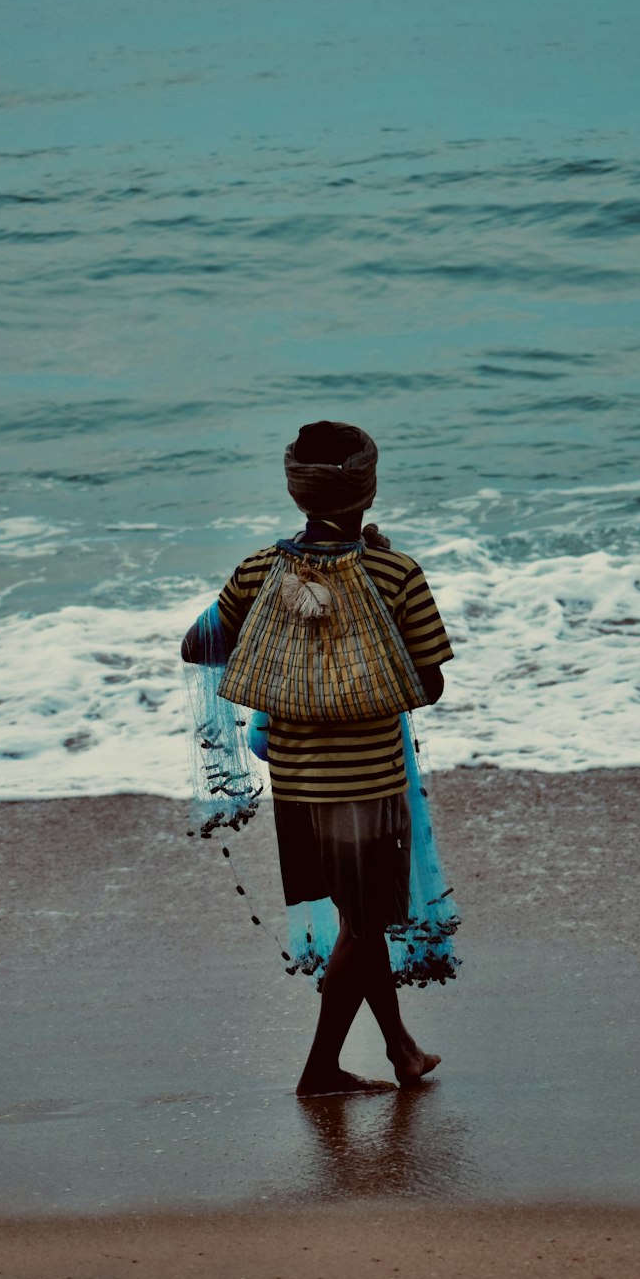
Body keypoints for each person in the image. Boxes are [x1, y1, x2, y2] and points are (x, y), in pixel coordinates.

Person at [182, 421, 454, 1096]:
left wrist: (285, 649)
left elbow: (198, 647)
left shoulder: (258, 572)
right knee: (364, 927)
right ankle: (320, 1071)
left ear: (295, 489)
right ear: (369, 487)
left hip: (299, 792)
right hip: (370, 788)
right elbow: (430, 685)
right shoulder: (394, 573)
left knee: (356, 924)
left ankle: (401, 1049)